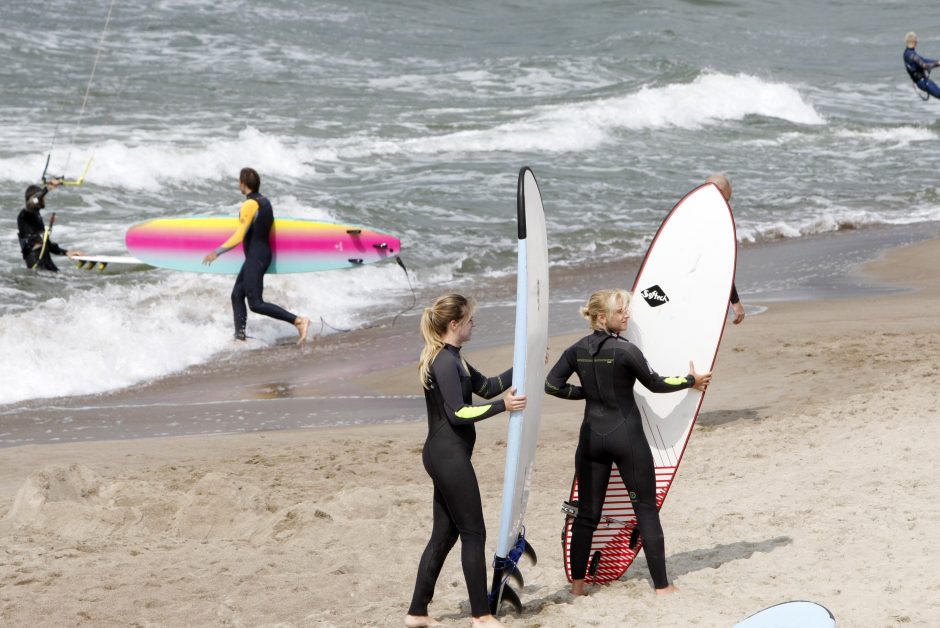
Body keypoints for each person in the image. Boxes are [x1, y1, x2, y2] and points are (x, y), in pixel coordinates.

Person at [544, 289, 711, 597]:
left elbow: (552, 386)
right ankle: (662, 586)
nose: (627, 316)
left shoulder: (575, 350)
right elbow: (656, 383)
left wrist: (585, 393)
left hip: (592, 438)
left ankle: (578, 587)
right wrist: (691, 380)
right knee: (645, 508)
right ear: (601, 317)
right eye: (620, 311)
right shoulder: (626, 350)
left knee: (586, 514)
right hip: (626, 438)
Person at [405, 294, 525, 628]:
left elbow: (487, 387)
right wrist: (505, 407)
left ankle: (417, 612)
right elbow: (458, 414)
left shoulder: (456, 359)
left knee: (444, 534)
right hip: (447, 456)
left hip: (446, 455)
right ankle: (481, 616)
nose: (475, 324)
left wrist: (525, 363)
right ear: (454, 324)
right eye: (470, 319)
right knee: (474, 532)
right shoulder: (444, 362)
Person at [202, 167, 309, 344]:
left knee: (256, 304)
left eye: (239, 182)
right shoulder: (265, 201)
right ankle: (239, 338)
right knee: (237, 295)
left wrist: (217, 252)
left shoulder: (250, 204)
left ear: (243, 183)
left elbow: (240, 234)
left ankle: (298, 321)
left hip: (256, 257)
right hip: (260, 255)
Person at [16, 179, 85, 271]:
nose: (44, 199)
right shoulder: (24, 215)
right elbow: (32, 202)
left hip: (47, 264)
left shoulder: (36, 216)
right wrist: (47, 188)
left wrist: (67, 252)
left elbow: (46, 244)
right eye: (42, 198)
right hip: (37, 266)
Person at [704, 173, 746, 324]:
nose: (727, 206)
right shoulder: (713, 223)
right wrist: (735, 302)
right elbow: (720, 264)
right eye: (726, 200)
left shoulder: (686, 215)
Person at [903, 32, 940, 99]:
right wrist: (937, 64)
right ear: (915, 41)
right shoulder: (911, 55)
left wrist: (937, 62)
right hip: (922, 82)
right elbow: (925, 66)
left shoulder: (907, 52)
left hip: (923, 81)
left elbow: (924, 60)